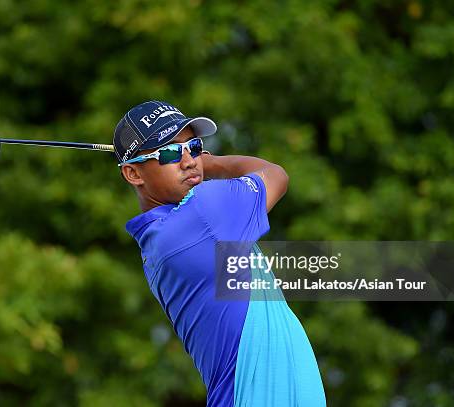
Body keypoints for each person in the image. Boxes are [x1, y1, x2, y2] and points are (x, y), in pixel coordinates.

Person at [113, 100, 326, 406]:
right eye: (171, 152)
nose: (189, 161)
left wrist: (194, 162)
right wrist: (213, 164)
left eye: (194, 147)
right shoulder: (203, 213)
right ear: (134, 174)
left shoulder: (158, 237)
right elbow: (275, 174)